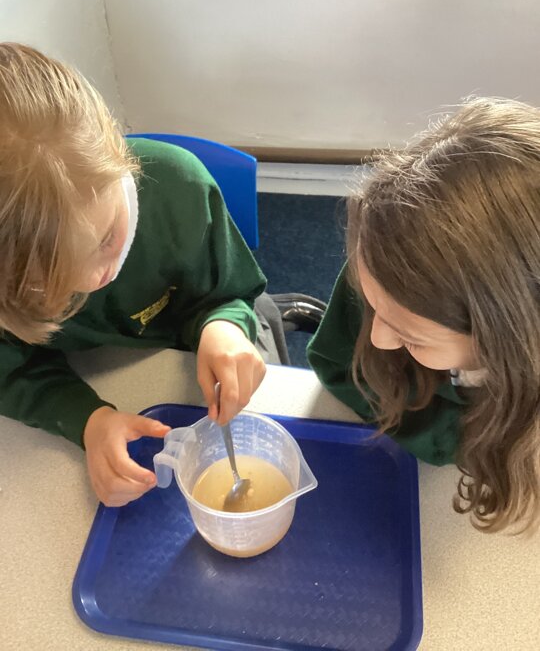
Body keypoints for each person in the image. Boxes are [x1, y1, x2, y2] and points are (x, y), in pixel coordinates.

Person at [0, 42, 274, 508]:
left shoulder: (178, 189)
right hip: (102, 375)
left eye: (107, 238)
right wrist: (87, 420)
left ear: (117, 152)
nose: (95, 278)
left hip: (201, 348)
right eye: (48, 281)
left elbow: (230, 292)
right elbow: (10, 371)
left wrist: (225, 326)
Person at [308, 97, 539, 533]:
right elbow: (338, 367)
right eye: (372, 306)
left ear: (509, 342)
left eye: (411, 337)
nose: (377, 338)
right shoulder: (388, 275)